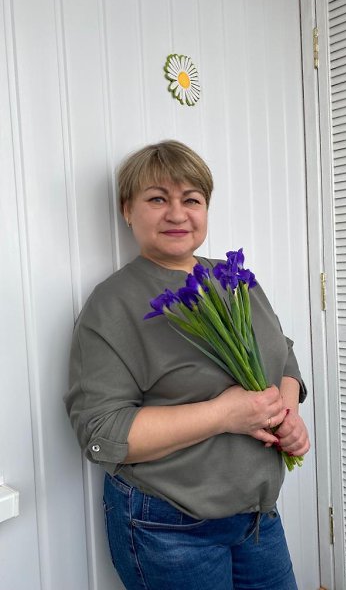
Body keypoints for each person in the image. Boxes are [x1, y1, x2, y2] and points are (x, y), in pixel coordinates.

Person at [65, 140, 310, 590]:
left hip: (258, 518)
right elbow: (102, 433)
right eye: (158, 199)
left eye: (191, 200)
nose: (177, 214)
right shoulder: (113, 303)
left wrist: (285, 415)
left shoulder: (236, 281)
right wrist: (224, 414)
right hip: (169, 526)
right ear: (127, 210)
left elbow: (283, 354)